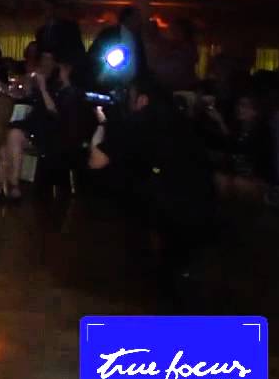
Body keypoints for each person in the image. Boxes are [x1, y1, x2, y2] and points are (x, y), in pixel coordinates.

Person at [88, 76, 215, 278]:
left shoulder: (139, 121)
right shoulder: (179, 120)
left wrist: (102, 125)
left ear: (143, 100)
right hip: (204, 200)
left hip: (172, 204)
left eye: (130, 96)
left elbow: (96, 161)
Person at [2, 52, 83, 199]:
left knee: (14, 134)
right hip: (38, 127)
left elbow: (55, 113)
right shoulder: (54, 85)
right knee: (7, 133)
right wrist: (28, 85)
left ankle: (13, 186)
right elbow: (26, 97)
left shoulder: (71, 93)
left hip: (54, 134)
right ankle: (4, 184)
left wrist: (43, 88)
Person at [34, 0, 85, 67]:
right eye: (43, 10)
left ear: (54, 10)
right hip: (45, 69)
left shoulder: (70, 27)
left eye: (49, 9)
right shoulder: (40, 31)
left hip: (64, 67)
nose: (46, 12)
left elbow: (78, 51)